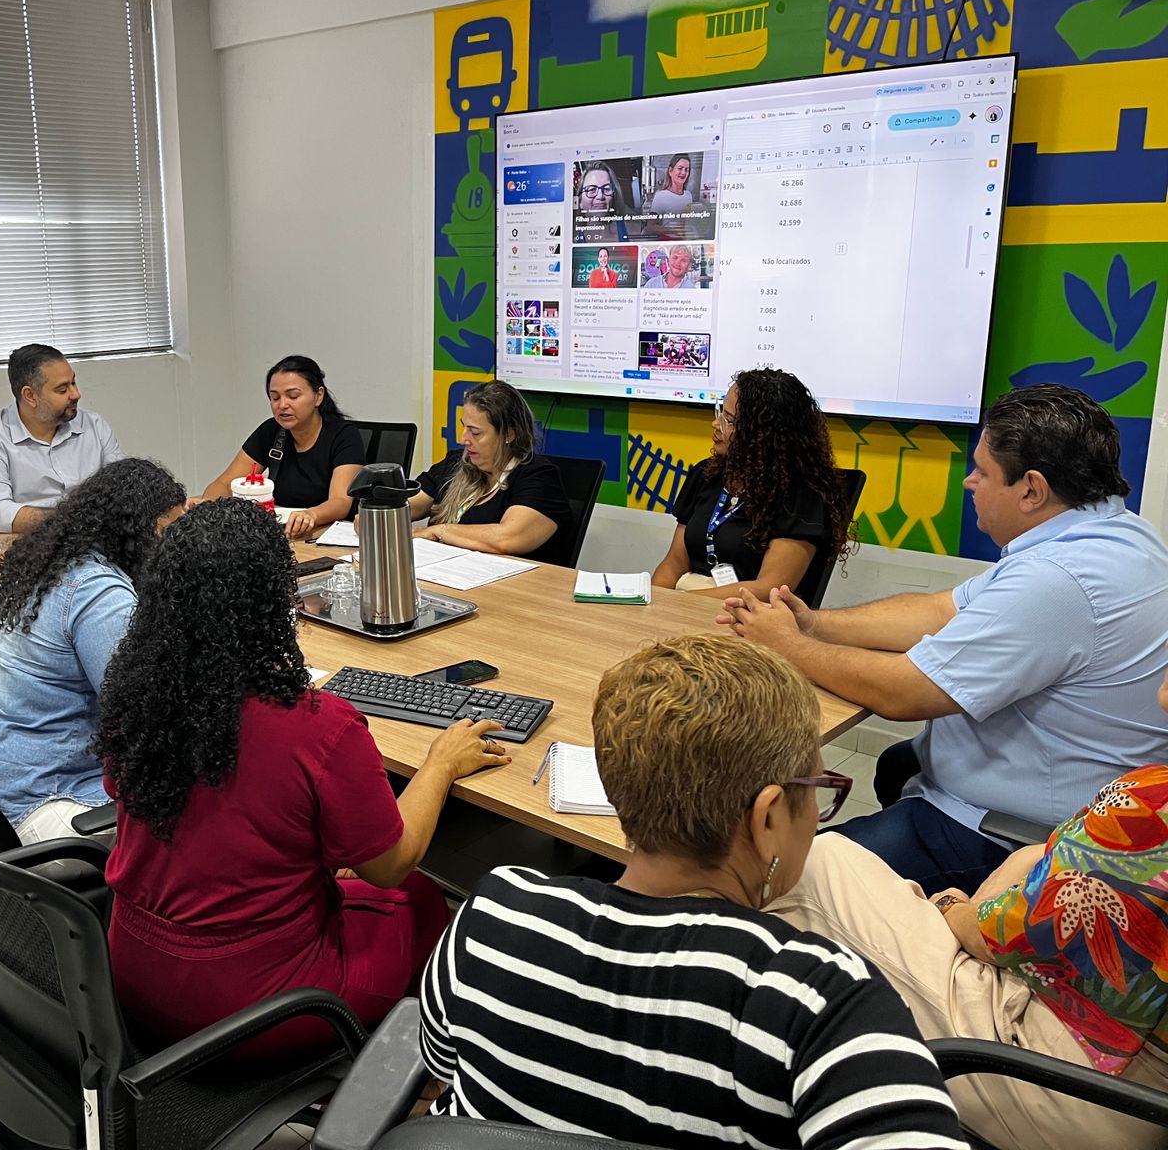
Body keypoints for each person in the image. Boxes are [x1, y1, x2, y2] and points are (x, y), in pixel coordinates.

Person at [420, 635, 968, 1149]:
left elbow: (441, 1071)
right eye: (821, 792)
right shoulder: (822, 1001)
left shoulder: (488, 917)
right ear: (769, 816)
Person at [97, 499, 511, 1059]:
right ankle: (410, 1076)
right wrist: (439, 764)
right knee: (418, 895)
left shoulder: (135, 700)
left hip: (135, 978)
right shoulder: (319, 726)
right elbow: (389, 868)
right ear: (278, 602)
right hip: (250, 1009)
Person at [725, 384, 1168, 895]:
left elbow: (903, 693)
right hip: (1069, 794)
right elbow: (941, 610)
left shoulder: (1059, 580)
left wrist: (788, 647)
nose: (968, 482)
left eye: (981, 470)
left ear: (1031, 490)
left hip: (1016, 840)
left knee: (791, 880)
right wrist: (813, 624)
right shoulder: (1115, 535)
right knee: (897, 765)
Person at [769, 761, 1168, 1150]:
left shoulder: (1152, 801)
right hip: (1129, 1081)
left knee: (820, 863)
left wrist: (949, 906)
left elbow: (989, 937)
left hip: (1079, 1082)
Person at [0, 459, 185, 843]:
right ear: (138, 532)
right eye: (167, 535)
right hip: (49, 801)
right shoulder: (97, 592)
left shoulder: (45, 564)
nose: (172, 550)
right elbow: (141, 712)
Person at [653, 369, 851, 601]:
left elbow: (771, 589)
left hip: (746, 618)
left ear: (764, 434)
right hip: (684, 607)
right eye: (721, 413)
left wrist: (683, 603)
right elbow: (673, 565)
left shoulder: (802, 496)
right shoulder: (707, 474)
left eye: (730, 421)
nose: (716, 424)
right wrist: (653, 602)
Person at [0, 343, 124, 535]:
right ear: (30, 396)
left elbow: (122, 490)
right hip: (30, 551)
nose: (76, 394)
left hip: (98, 543)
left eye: (73, 383)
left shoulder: (94, 425)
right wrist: (77, 519)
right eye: (62, 389)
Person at [198, 355, 364, 540]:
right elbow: (225, 483)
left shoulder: (343, 435)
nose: (282, 405)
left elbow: (340, 501)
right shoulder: (272, 431)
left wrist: (312, 515)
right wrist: (206, 508)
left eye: (293, 396)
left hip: (322, 535)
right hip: (281, 535)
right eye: (275, 398)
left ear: (318, 396)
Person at [411, 379, 573, 564]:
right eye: (464, 427)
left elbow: (506, 538)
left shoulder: (538, 476)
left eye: (476, 432)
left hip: (512, 586)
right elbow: (411, 504)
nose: (464, 439)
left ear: (509, 435)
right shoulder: (457, 463)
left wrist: (440, 531)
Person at [573, 159, 637, 244]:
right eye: (592, 189)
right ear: (580, 201)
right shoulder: (571, 239)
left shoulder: (632, 231)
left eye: (607, 189)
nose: (600, 196)